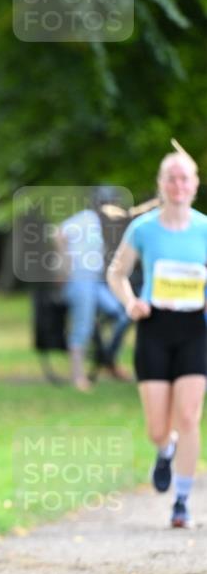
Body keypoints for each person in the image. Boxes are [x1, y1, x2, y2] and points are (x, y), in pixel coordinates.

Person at [107, 151, 206, 528]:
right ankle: (165, 449)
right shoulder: (144, 229)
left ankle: (181, 502)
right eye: (171, 178)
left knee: (189, 416)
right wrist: (130, 303)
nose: (178, 185)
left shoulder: (205, 228)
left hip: (195, 328)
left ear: (195, 185)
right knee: (157, 428)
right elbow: (116, 273)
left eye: (185, 178)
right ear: (161, 184)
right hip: (154, 328)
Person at [56, 188, 132, 392]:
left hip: (95, 281)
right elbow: (59, 233)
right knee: (82, 327)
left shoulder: (100, 224)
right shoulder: (86, 219)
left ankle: (108, 359)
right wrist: (65, 266)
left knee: (122, 314)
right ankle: (78, 377)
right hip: (80, 280)